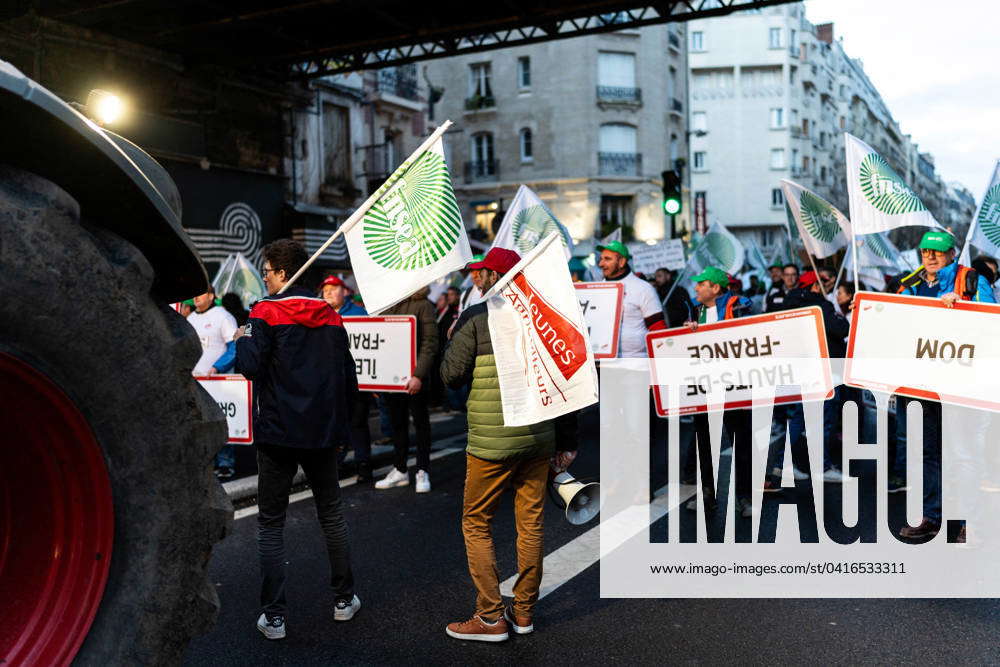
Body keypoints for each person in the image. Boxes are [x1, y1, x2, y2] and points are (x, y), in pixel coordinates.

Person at [439, 247, 577, 642]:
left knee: (476, 522)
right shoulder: (543, 316)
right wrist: (567, 440)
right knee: (530, 524)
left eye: (480, 272)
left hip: (492, 441)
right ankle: (524, 613)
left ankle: (489, 617)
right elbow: (564, 378)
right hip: (538, 437)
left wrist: (454, 340)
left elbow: (450, 375)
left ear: (492, 276)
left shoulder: (476, 315)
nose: (475, 278)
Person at [234, 239, 360, 640]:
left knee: (271, 524)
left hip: (277, 433)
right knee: (331, 516)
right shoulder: (330, 315)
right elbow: (347, 377)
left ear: (284, 274)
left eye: (268, 271)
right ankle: (344, 599)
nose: (266, 277)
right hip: (322, 434)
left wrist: (242, 336)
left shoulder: (264, 312)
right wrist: (344, 431)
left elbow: (250, 367)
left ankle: (274, 617)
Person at [891, 230, 996, 539]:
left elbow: (990, 321)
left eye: (937, 252)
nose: (930, 257)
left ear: (952, 253)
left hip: (962, 384)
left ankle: (968, 523)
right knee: (926, 453)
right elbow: (893, 322)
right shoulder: (910, 284)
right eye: (925, 252)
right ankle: (931, 518)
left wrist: (960, 306)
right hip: (923, 384)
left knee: (963, 453)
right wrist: (868, 316)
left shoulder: (971, 280)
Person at [682, 267, 756, 517]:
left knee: (741, 444)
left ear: (715, 288)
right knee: (705, 442)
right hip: (705, 386)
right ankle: (707, 494)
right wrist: (689, 333)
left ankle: (744, 498)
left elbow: (754, 331)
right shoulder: (696, 310)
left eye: (700, 284)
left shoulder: (740, 305)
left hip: (735, 386)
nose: (695, 288)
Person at [374, 286, 439, 493]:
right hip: (392, 379)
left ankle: (422, 470)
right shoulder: (386, 303)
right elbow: (379, 340)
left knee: (420, 424)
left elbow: (430, 342)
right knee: (397, 425)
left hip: (414, 378)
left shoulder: (423, 305)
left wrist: (418, 375)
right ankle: (400, 469)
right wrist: (377, 378)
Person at [320, 275, 373, 482]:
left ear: (345, 291)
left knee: (358, 423)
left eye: (334, 289)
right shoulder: (319, 315)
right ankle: (337, 464)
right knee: (334, 424)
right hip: (332, 382)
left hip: (357, 380)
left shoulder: (360, 314)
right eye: (325, 290)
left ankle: (363, 464)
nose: (329, 293)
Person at [188, 285, 239, 479]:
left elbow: (235, 347)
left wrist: (218, 367)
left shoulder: (223, 316)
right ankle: (207, 462)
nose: (196, 298)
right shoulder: (191, 319)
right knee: (202, 422)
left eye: (200, 293)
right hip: (196, 381)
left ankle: (226, 462)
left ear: (211, 296)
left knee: (222, 420)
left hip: (218, 380)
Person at [596, 240, 665, 357]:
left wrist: (661, 362)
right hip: (604, 365)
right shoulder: (596, 289)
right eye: (601, 259)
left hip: (637, 364)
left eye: (607, 259)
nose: (601, 264)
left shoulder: (643, 288)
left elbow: (658, 329)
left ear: (622, 262)